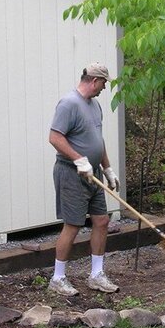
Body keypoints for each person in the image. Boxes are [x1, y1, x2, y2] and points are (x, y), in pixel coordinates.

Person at [48, 62, 121, 296]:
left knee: (102, 221)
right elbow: (55, 137)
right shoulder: (69, 104)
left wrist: (107, 169)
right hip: (71, 173)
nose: (103, 89)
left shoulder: (95, 105)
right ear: (93, 80)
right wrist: (79, 160)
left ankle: (96, 275)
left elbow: (97, 141)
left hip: (94, 174)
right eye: (103, 84)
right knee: (73, 225)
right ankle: (58, 278)